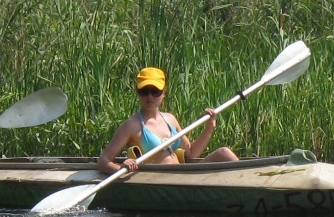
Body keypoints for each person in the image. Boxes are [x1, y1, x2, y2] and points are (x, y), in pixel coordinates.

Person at [95, 66, 239, 175]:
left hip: (182, 175)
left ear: (164, 92)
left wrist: (209, 127)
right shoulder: (131, 126)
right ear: (137, 93)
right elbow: (103, 161)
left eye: (155, 91)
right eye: (144, 92)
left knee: (224, 153)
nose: (150, 97)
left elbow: (191, 153)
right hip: (157, 179)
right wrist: (121, 168)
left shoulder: (170, 119)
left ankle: (246, 186)